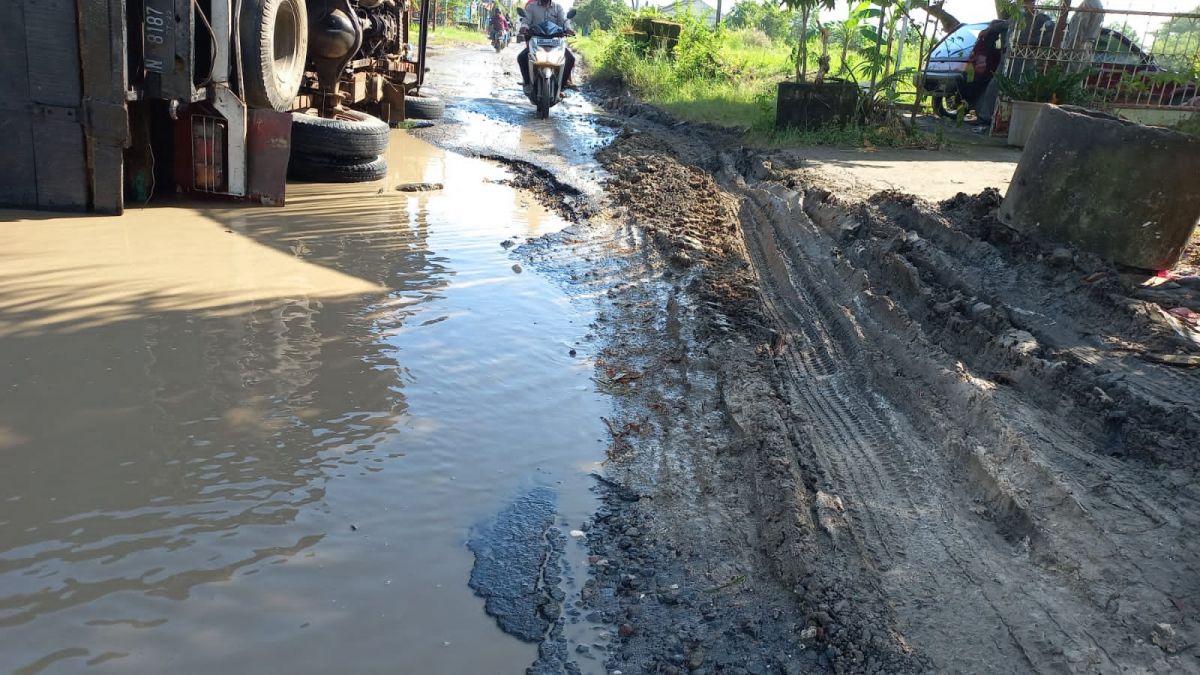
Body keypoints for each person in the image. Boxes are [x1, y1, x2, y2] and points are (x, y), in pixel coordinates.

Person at [517, 0, 576, 94]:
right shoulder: (532, 7)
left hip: (555, 41)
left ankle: (562, 86)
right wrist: (524, 27)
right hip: (537, 39)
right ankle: (528, 83)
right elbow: (526, 21)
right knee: (521, 57)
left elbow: (564, 22)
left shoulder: (558, 8)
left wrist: (568, 29)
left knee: (570, 59)